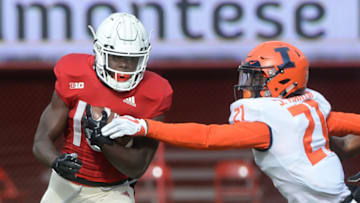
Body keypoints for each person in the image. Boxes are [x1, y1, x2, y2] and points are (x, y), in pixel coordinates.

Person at [101, 41, 360, 203]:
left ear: (283, 81)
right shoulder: (311, 109)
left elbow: (208, 137)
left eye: (258, 78)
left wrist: (146, 126)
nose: (250, 85)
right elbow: (349, 123)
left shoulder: (267, 125)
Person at [32, 12, 173, 203]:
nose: (124, 65)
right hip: (64, 184)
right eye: (116, 57)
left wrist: (104, 142)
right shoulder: (74, 74)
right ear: (99, 52)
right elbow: (41, 139)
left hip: (112, 191)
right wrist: (55, 161)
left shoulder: (153, 93)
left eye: (132, 59)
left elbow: (139, 165)